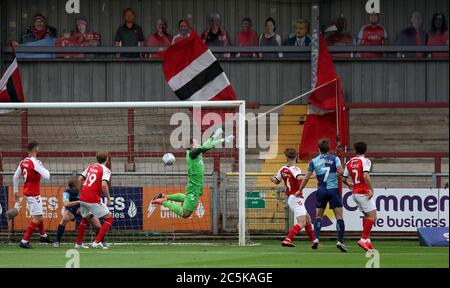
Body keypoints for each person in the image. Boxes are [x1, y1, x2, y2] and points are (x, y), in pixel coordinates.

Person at [152, 128, 234, 218]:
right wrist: (215, 135)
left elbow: (208, 146)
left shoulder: (197, 154)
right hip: (194, 188)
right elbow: (204, 147)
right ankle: (163, 201)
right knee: (185, 214)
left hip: (196, 187)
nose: (199, 144)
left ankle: (165, 196)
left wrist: (223, 139)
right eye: (196, 143)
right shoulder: (192, 155)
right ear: (192, 146)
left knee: (186, 198)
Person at [298, 139, 348, 252]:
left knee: (318, 216)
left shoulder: (314, 161)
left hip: (321, 190)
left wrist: (300, 190)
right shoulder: (335, 158)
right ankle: (340, 241)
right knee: (339, 217)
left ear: (318, 148)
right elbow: (341, 172)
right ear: (329, 148)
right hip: (333, 190)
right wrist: (343, 173)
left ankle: (316, 239)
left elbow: (306, 177)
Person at [270, 148, 315, 248]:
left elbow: (276, 181)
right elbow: (298, 177)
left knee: (308, 218)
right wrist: (313, 176)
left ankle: (314, 242)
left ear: (286, 158)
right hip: (296, 197)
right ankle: (287, 239)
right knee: (302, 222)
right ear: (297, 157)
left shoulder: (282, 169)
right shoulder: (295, 169)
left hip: (291, 197)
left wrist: (272, 178)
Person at [13, 141, 52, 249]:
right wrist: (45, 169)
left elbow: (15, 177)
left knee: (38, 215)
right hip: (34, 194)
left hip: (28, 192)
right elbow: (47, 176)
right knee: (38, 217)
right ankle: (24, 241)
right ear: (36, 150)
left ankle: (43, 235)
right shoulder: (36, 162)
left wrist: (15, 191)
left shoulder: (23, 161)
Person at [343, 142, 377, 252]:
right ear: (365, 150)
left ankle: (368, 241)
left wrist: (349, 184)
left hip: (355, 193)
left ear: (355, 150)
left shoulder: (349, 162)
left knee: (368, 216)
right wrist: (371, 189)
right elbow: (366, 175)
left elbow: (343, 178)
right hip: (363, 192)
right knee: (372, 217)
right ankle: (363, 240)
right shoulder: (366, 161)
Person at [75, 151, 113, 249]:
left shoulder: (91, 167)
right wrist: (108, 199)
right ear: (107, 159)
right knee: (109, 218)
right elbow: (104, 184)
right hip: (92, 198)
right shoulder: (106, 170)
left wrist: (81, 192)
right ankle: (97, 242)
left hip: (83, 197)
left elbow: (79, 179)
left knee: (85, 218)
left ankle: (78, 243)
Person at [53, 177, 104, 248]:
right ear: (73, 187)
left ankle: (100, 242)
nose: (81, 185)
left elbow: (90, 200)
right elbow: (66, 204)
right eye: (78, 184)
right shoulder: (67, 192)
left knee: (98, 225)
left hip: (84, 208)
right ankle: (57, 241)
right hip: (71, 209)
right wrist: (79, 202)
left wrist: (81, 206)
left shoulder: (84, 190)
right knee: (64, 219)